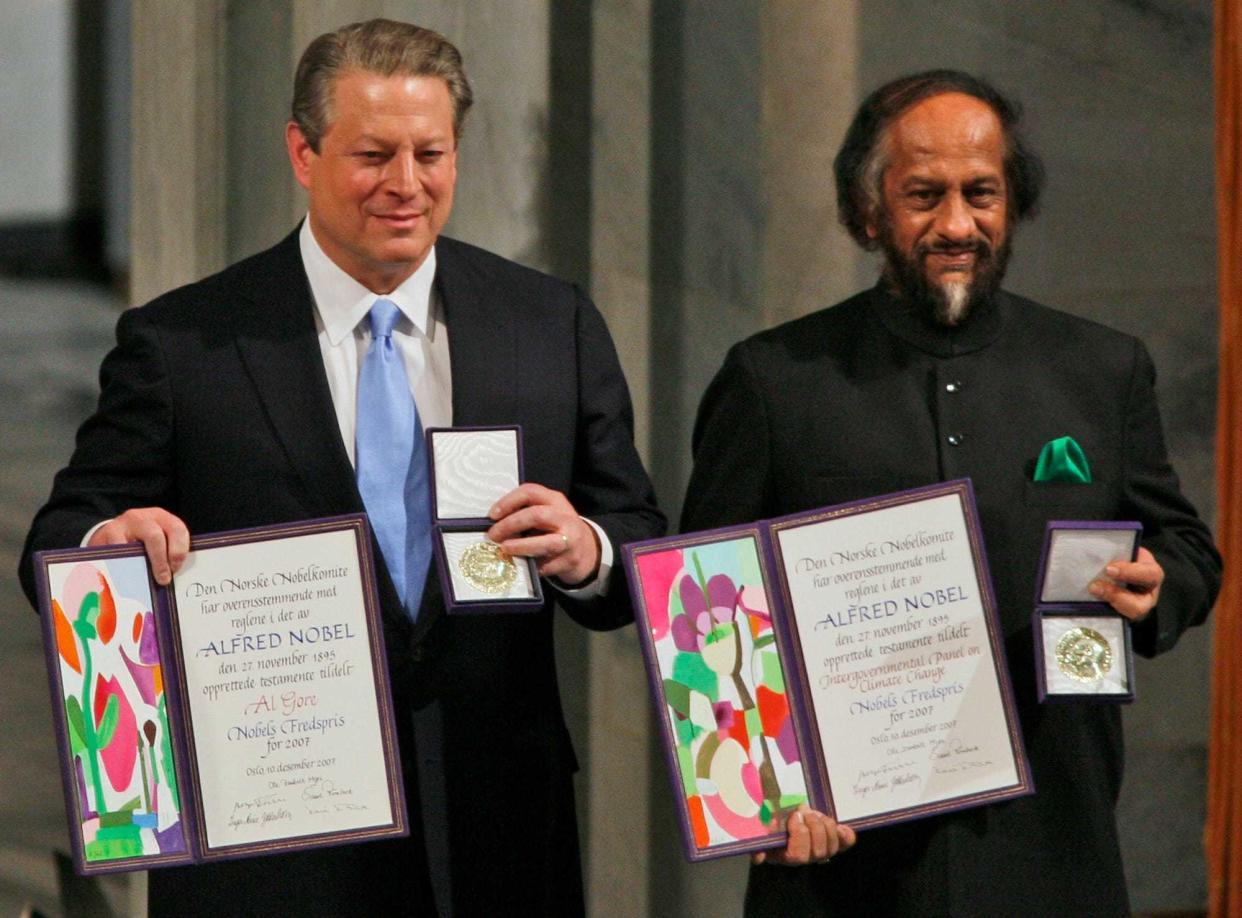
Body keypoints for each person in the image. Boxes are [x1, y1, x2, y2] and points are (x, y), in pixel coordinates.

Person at [19, 19, 664, 917]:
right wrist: (108, 544)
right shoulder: (184, 343)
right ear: (302, 151)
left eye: (430, 153)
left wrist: (588, 549)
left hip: (495, 834)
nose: (406, 185)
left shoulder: (548, 323)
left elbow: (638, 538)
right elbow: (56, 538)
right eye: (373, 154)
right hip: (270, 848)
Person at [681, 70, 1221, 916]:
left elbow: (1187, 549)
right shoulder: (774, 380)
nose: (957, 224)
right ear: (868, 212)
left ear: (1014, 206)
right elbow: (701, 610)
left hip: (1051, 839)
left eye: (982, 193)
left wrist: (1162, 585)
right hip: (842, 859)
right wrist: (763, 800)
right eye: (923, 195)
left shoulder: (1103, 369)